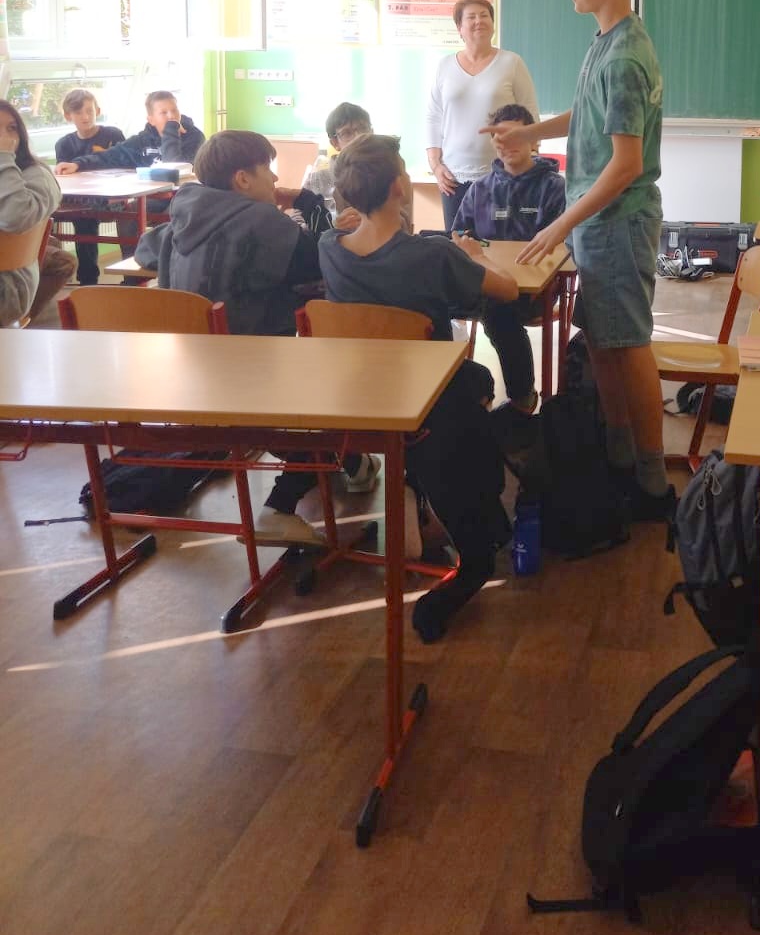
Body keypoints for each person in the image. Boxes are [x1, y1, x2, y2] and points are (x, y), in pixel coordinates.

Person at [482, 0, 671, 520]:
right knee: (604, 344)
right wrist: (529, 132)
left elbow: (626, 164)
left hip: (617, 221)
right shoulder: (607, 41)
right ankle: (618, 457)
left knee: (629, 345)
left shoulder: (626, 56)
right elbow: (586, 114)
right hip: (600, 222)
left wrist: (560, 225)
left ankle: (652, 483)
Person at [320, 134, 517, 642]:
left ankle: (415, 494)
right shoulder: (434, 255)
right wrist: (473, 254)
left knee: (473, 381)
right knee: (476, 383)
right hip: (430, 405)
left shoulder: (329, 249)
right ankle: (458, 523)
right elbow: (509, 290)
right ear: (399, 188)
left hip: (362, 398)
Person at [135, 129, 375, 547]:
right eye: (268, 169)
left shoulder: (183, 214)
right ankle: (279, 507)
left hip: (186, 379)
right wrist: (320, 215)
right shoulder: (262, 222)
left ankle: (353, 463)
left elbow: (145, 251)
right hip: (251, 381)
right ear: (243, 179)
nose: (275, 179)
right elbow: (319, 261)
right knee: (339, 385)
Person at [452, 102, 567, 413]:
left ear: (535, 139)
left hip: (536, 291)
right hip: (486, 283)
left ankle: (522, 398)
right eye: (499, 137)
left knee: (499, 312)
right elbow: (459, 235)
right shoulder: (480, 189)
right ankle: (455, 399)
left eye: (516, 135)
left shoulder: (554, 188)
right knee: (433, 303)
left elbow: (563, 246)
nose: (507, 143)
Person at [425, 0, 538, 230]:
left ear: (493, 24)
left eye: (484, 15)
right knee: (458, 245)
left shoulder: (512, 63)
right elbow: (434, 117)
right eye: (471, 17)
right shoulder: (445, 66)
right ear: (460, 28)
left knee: (501, 244)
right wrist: (436, 166)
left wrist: (528, 164)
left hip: (504, 174)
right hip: (453, 178)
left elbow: (530, 115)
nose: (479, 21)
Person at [54, 87, 132, 283]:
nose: (85, 117)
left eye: (89, 111)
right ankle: (87, 280)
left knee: (129, 218)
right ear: (68, 116)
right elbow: (64, 176)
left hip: (114, 197)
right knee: (83, 219)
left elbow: (127, 162)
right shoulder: (64, 144)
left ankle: (132, 278)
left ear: (97, 111)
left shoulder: (113, 134)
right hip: (82, 201)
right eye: (78, 112)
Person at [0, 99, 63, 327]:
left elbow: (16, 217)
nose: (5, 138)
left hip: (9, 288)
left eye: (11, 128)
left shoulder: (37, 174)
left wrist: (3, 158)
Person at [54, 89, 204, 175]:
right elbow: (109, 156)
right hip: (149, 198)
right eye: (163, 113)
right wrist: (78, 164)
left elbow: (174, 169)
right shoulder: (142, 140)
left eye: (174, 110)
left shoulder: (194, 137)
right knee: (127, 211)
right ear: (151, 119)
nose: (171, 116)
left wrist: (171, 130)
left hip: (178, 200)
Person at [301, 101, 373, 228]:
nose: (358, 137)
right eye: (347, 133)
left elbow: (403, 219)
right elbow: (300, 218)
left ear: (372, 132)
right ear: (335, 143)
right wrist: (332, 227)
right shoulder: (321, 175)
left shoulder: (387, 170)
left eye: (363, 129)